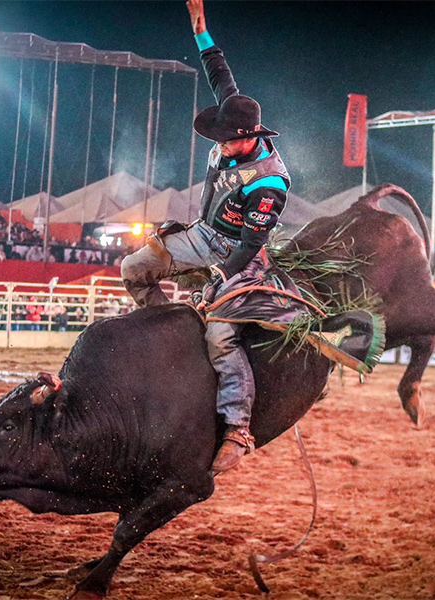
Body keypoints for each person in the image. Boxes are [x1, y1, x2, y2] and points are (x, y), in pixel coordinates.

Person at [121, 0, 291, 474]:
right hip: (203, 233)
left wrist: (218, 277)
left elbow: (250, 245)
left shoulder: (269, 182)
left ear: (248, 136)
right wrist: (201, 29)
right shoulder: (236, 117)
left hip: (238, 253)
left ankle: (238, 427)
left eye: (225, 139)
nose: (218, 143)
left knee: (221, 333)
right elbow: (220, 73)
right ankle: (172, 325)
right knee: (132, 269)